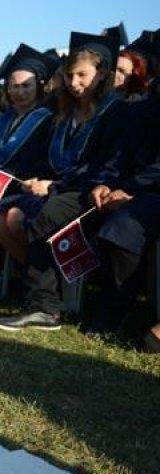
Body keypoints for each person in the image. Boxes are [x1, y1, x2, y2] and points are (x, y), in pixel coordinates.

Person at [0, 31, 129, 332]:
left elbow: (107, 164)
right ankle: (42, 300)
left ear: (102, 74)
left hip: (94, 191)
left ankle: (42, 306)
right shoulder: (64, 112)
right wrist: (39, 180)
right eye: (69, 75)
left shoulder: (116, 111)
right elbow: (51, 160)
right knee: (12, 212)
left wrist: (54, 187)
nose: (74, 83)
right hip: (62, 188)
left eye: (82, 75)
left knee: (45, 214)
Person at [88, 78, 160, 335]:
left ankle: (114, 310)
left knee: (124, 226)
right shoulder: (141, 109)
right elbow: (119, 155)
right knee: (91, 211)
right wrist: (105, 183)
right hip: (135, 189)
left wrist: (130, 188)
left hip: (151, 191)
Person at [0, 44, 57, 265]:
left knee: (15, 218)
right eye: (14, 86)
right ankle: (29, 269)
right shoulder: (2, 120)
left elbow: (46, 163)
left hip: (32, 188)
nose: (20, 92)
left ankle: (37, 272)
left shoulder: (48, 120)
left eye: (26, 86)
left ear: (39, 86)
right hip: (7, 188)